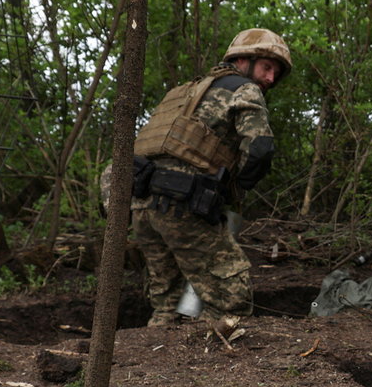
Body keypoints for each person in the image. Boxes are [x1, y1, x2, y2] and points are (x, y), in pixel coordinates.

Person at [122, 28, 291, 326]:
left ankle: (158, 361)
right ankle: (204, 364)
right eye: (267, 67)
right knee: (231, 300)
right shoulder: (244, 89)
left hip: (142, 204)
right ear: (242, 59)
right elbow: (260, 149)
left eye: (275, 72)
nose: (270, 78)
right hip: (182, 205)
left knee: (167, 302)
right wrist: (235, 189)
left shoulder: (184, 91)